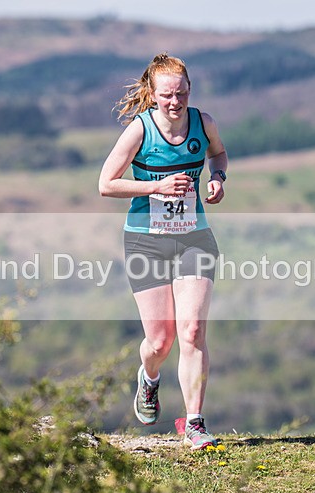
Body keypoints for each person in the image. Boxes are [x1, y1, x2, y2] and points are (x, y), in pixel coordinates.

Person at [98, 53, 228, 450]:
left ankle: (194, 423)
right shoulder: (139, 131)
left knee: (192, 331)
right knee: (160, 342)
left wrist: (218, 178)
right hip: (146, 240)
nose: (175, 102)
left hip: (193, 237)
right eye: (167, 95)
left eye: (182, 93)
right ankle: (149, 379)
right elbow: (106, 183)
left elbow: (217, 155)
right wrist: (155, 186)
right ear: (152, 95)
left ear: (190, 90)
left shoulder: (203, 123)